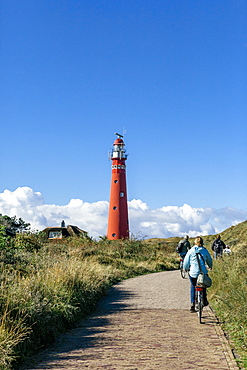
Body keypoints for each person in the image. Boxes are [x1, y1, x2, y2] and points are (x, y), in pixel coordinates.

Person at [183, 236, 213, 312]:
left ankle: (192, 303)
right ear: (202, 243)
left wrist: (185, 268)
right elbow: (209, 260)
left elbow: (186, 262)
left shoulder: (191, 251)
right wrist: (210, 266)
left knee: (193, 286)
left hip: (193, 273)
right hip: (203, 272)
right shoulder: (205, 251)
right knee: (203, 284)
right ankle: (204, 300)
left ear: (194, 243)